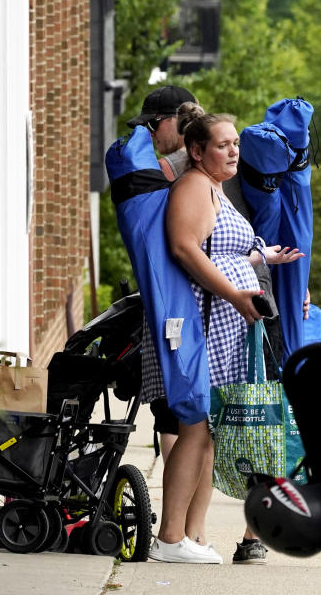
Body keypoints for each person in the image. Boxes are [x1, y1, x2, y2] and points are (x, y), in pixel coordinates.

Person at [148, 107, 302, 564]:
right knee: (193, 426)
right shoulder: (194, 186)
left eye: (235, 143)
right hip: (204, 321)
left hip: (224, 323)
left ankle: (187, 536)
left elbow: (219, 249)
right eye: (222, 144)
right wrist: (237, 295)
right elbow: (184, 247)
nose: (234, 150)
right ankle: (170, 539)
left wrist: (261, 260)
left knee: (205, 431)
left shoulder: (214, 188)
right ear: (197, 151)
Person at [131, 86, 199, 463]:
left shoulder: (166, 171)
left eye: (156, 124)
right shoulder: (222, 165)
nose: (153, 134)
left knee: (172, 414)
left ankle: (176, 523)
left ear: (177, 120)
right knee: (198, 417)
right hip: (213, 297)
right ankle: (188, 524)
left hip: (172, 299)